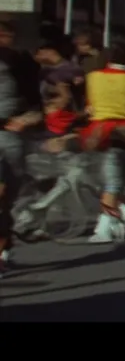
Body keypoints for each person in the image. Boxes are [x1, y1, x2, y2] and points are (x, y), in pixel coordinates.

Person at [80, 42, 125, 243]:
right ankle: (123, 214)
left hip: (102, 133)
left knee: (111, 182)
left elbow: (90, 105)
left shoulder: (94, 77)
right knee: (118, 180)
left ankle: (104, 227)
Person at [0, 20, 43, 277]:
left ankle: (4, 247)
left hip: (10, 136)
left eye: (7, 34)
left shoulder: (21, 64)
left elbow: (36, 104)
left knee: (7, 198)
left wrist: (28, 119)